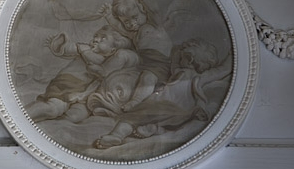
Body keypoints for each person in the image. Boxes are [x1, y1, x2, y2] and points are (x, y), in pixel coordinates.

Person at [93, 38, 231, 149]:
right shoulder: (180, 72)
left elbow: (222, 70)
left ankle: (119, 134)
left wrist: (236, 52)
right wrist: (180, 50)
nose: (179, 58)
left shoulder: (197, 78)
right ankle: (146, 130)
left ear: (190, 59)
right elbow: (177, 61)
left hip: (167, 106)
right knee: (154, 121)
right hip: (172, 108)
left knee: (133, 118)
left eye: (183, 56)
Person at [26, 25, 138, 123]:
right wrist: (60, 45)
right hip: (67, 84)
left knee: (77, 115)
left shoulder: (107, 63)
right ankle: (26, 116)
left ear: (113, 50)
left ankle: (59, 124)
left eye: (103, 38)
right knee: (53, 108)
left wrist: (82, 95)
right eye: (96, 36)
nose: (96, 39)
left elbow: (99, 73)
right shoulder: (85, 48)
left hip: (84, 93)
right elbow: (69, 49)